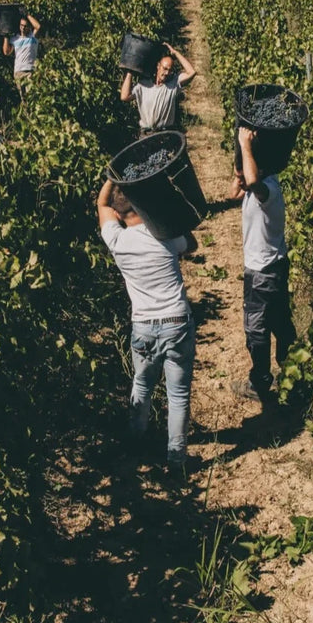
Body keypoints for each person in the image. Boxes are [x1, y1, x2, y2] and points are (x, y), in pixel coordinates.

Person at [97, 178, 197, 472]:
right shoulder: (164, 234)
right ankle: (176, 460)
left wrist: (112, 176)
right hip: (177, 320)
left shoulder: (117, 240)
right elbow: (191, 243)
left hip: (143, 325)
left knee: (141, 384)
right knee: (177, 395)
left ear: (118, 214)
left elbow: (102, 203)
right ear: (143, 204)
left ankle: (135, 444)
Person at [229, 127, 296, 402]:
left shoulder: (267, 190)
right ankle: (292, 372)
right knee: (280, 321)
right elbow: (234, 190)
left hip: (262, 272)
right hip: (275, 266)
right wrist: (239, 168)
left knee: (256, 330)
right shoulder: (261, 184)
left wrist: (245, 144)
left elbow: (253, 180)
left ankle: (260, 383)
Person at [120, 43, 196, 137]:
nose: (166, 73)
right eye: (164, 69)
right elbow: (124, 97)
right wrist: (130, 71)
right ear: (158, 66)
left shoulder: (173, 84)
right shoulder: (143, 85)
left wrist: (175, 53)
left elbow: (192, 72)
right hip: (146, 135)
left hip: (165, 134)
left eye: (170, 70)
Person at [2, 12, 41, 97]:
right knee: (23, 98)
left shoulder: (32, 37)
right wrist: (6, 36)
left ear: (29, 27)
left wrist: (27, 15)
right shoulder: (15, 39)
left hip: (30, 70)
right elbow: (6, 52)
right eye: (21, 25)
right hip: (19, 71)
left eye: (25, 26)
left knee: (31, 96)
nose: (23, 28)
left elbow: (38, 26)